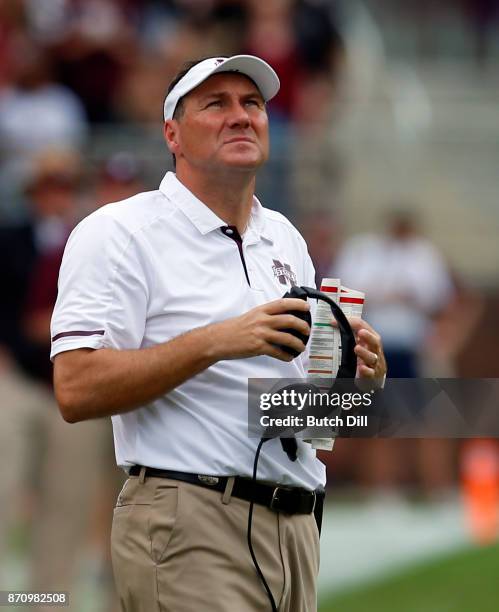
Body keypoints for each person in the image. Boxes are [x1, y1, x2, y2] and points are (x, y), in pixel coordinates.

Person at [50, 55, 386, 612]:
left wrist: (358, 380)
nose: (241, 116)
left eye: (252, 103)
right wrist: (219, 340)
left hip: (295, 529)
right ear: (172, 135)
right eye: (216, 104)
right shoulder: (119, 232)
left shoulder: (284, 237)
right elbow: (76, 387)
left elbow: (306, 421)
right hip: (190, 518)